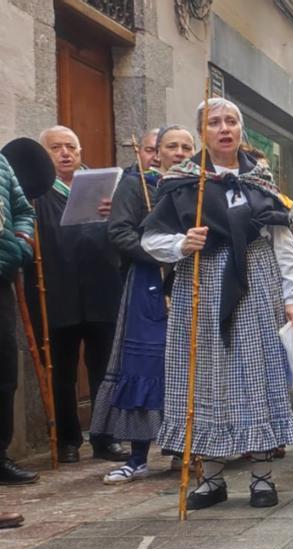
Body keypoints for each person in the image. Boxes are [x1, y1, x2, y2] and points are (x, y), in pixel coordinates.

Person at [142, 97, 293, 510]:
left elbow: (283, 243)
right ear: (203, 133)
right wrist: (183, 242)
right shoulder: (183, 181)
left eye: (231, 120)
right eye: (214, 122)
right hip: (202, 283)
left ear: (241, 129)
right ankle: (210, 479)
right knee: (206, 378)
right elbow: (150, 238)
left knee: (256, 375)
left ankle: (262, 477)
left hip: (256, 282)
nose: (224, 128)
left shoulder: (262, 181)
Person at [95, 126, 196, 484]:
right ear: (156, 152)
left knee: (188, 366)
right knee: (145, 363)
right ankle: (137, 456)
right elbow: (120, 231)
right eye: (172, 146)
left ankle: (184, 450)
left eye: (187, 146)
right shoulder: (135, 184)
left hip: (188, 282)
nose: (180, 152)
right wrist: (156, 252)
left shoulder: (199, 187)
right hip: (147, 285)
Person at [30, 126, 128, 464]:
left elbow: (127, 231)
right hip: (55, 293)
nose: (65, 153)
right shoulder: (36, 193)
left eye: (71, 146)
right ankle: (67, 440)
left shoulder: (107, 189)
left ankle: (105, 438)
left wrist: (115, 214)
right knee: (62, 372)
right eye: (56, 148)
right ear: (45, 155)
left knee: (104, 369)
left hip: (102, 289)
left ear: (81, 150)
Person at [0, 150, 39, 488]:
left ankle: (0, 457)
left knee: (4, 373)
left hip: (0, 277)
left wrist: (21, 244)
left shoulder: (1, 163)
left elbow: (23, 211)